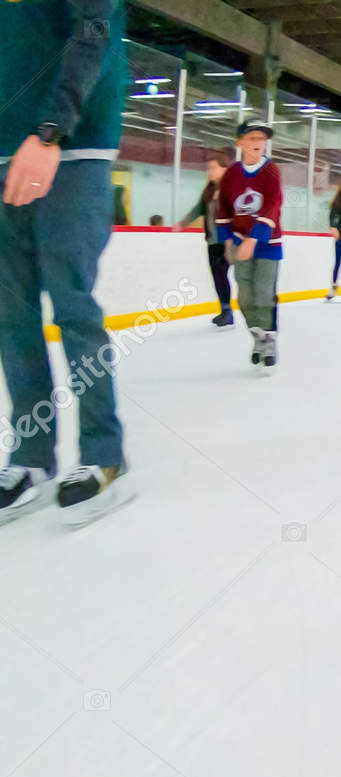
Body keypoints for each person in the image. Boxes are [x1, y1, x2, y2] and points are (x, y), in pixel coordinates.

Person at [0, 0, 134, 527]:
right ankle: (32, 456)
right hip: (3, 152)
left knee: (72, 306)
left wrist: (51, 129)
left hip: (71, 150)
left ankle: (106, 453)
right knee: (12, 315)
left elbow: (93, 29)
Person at [218, 119, 284, 370]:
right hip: (239, 242)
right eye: (253, 138)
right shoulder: (232, 173)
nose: (258, 143)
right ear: (241, 142)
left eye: (262, 139)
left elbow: (273, 204)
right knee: (245, 297)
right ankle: (257, 335)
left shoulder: (271, 171)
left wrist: (255, 237)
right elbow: (224, 208)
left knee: (264, 292)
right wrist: (227, 242)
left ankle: (269, 338)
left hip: (268, 243)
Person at [177, 148, 235, 328]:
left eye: (213, 168)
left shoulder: (231, 190)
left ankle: (228, 311)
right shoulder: (209, 191)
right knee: (217, 277)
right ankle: (225, 310)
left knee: (221, 275)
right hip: (212, 241)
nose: (210, 171)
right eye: (209, 168)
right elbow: (198, 210)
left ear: (224, 168)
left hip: (226, 241)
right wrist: (183, 223)